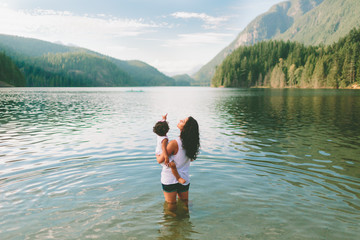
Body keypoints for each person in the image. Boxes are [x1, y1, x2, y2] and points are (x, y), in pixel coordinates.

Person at [158, 116, 200, 212]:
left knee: (171, 205)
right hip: (184, 178)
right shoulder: (192, 144)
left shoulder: (174, 143)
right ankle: (187, 218)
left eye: (183, 121)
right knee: (185, 202)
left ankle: (174, 224)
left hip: (169, 179)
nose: (180, 120)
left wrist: (157, 154)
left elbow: (160, 160)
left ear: (185, 128)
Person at [153, 114, 186, 184]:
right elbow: (164, 149)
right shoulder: (164, 139)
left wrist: (164, 119)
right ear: (167, 130)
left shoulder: (159, 134)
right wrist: (166, 157)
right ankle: (178, 178)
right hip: (162, 153)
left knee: (172, 165)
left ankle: (178, 177)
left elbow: (162, 124)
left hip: (158, 151)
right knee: (173, 165)